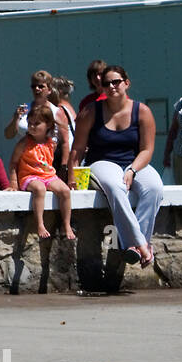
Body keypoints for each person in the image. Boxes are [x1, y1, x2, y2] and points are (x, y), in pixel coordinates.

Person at [71, 64, 162, 268]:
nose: (111, 86)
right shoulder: (91, 112)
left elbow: (147, 150)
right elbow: (77, 148)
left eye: (116, 82)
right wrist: (72, 176)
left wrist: (132, 170)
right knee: (116, 187)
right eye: (106, 83)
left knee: (155, 188)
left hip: (134, 162)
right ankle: (141, 245)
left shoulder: (142, 111)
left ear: (126, 83)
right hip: (101, 161)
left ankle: (132, 248)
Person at [9, 104, 75, 240]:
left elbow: (48, 163)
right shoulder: (24, 142)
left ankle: (66, 224)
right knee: (39, 189)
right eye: (30, 123)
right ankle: (40, 223)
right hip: (29, 176)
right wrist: (14, 182)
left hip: (47, 175)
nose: (32, 126)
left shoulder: (51, 143)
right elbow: (14, 163)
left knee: (65, 191)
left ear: (48, 125)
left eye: (37, 123)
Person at [3, 70, 71, 175]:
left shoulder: (57, 112)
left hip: (49, 163)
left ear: (49, 89)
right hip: (26, 162)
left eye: (41, 86)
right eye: (33, 86)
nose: (37, 89)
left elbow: (65, 142)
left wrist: (64, 166)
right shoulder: (24, 110)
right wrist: (16, 117)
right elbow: (8, 135)